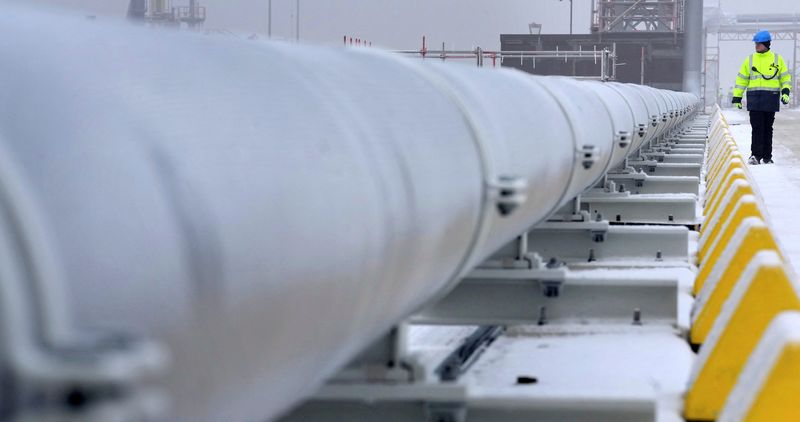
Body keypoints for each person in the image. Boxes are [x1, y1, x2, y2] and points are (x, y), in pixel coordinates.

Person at [732, 30, 792, 165]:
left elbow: (785, 78)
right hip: (755, 98)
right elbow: (742, 79)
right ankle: (756, 155)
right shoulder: (750, 59)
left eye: (759, 44)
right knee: (757, 127)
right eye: (756, 44)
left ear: (766, 44)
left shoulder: (777, 59)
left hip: (771, 98)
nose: (756, 46)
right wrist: (737, 97)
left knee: (768, 128)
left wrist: (786, 92)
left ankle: (767, 156)